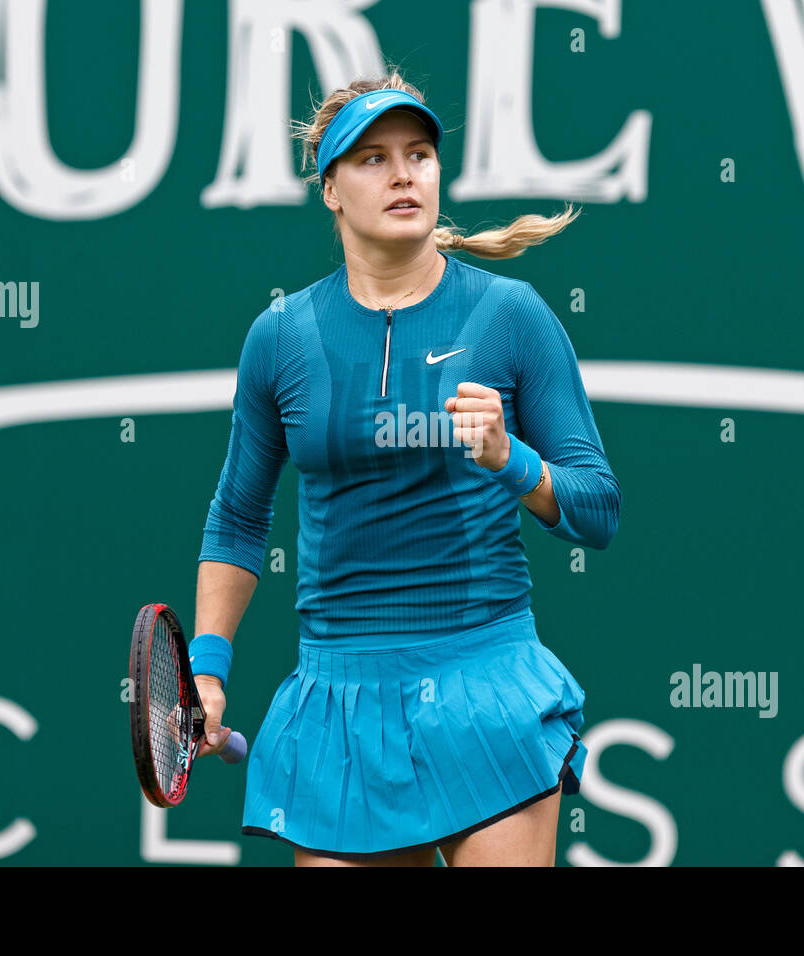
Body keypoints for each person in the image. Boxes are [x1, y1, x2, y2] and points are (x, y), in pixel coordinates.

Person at [189, 67, 621, 867]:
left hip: (486, 683)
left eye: (418, 154)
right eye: (373, 159)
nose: (402, 174)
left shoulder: (511, 315)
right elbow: (239, 520)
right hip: (338, 706)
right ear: (331, 189)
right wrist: (208, 671)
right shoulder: (280, 337)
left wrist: (512, 460)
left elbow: (597, 508)